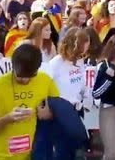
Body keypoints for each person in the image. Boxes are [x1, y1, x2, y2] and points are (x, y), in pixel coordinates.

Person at [0, 44, 59, 160]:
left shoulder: (46, 81)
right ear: (13, 66)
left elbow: (61, 114)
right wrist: (6, 119)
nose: (24, 80)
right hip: (1, 157)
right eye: (20, 76)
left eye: (30, 76)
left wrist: (49, 114)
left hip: (35, 155)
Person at [35, 27, 90, 160]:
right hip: (59, 112)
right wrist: (44, 108)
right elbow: (42, 86)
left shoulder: (80, 61)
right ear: (77, 43)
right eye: (86, 42)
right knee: (62, 150)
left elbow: (81, 84)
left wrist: (87, 95)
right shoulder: (56, 63)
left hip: (76, 109)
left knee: (72, 149)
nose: (88, 46)